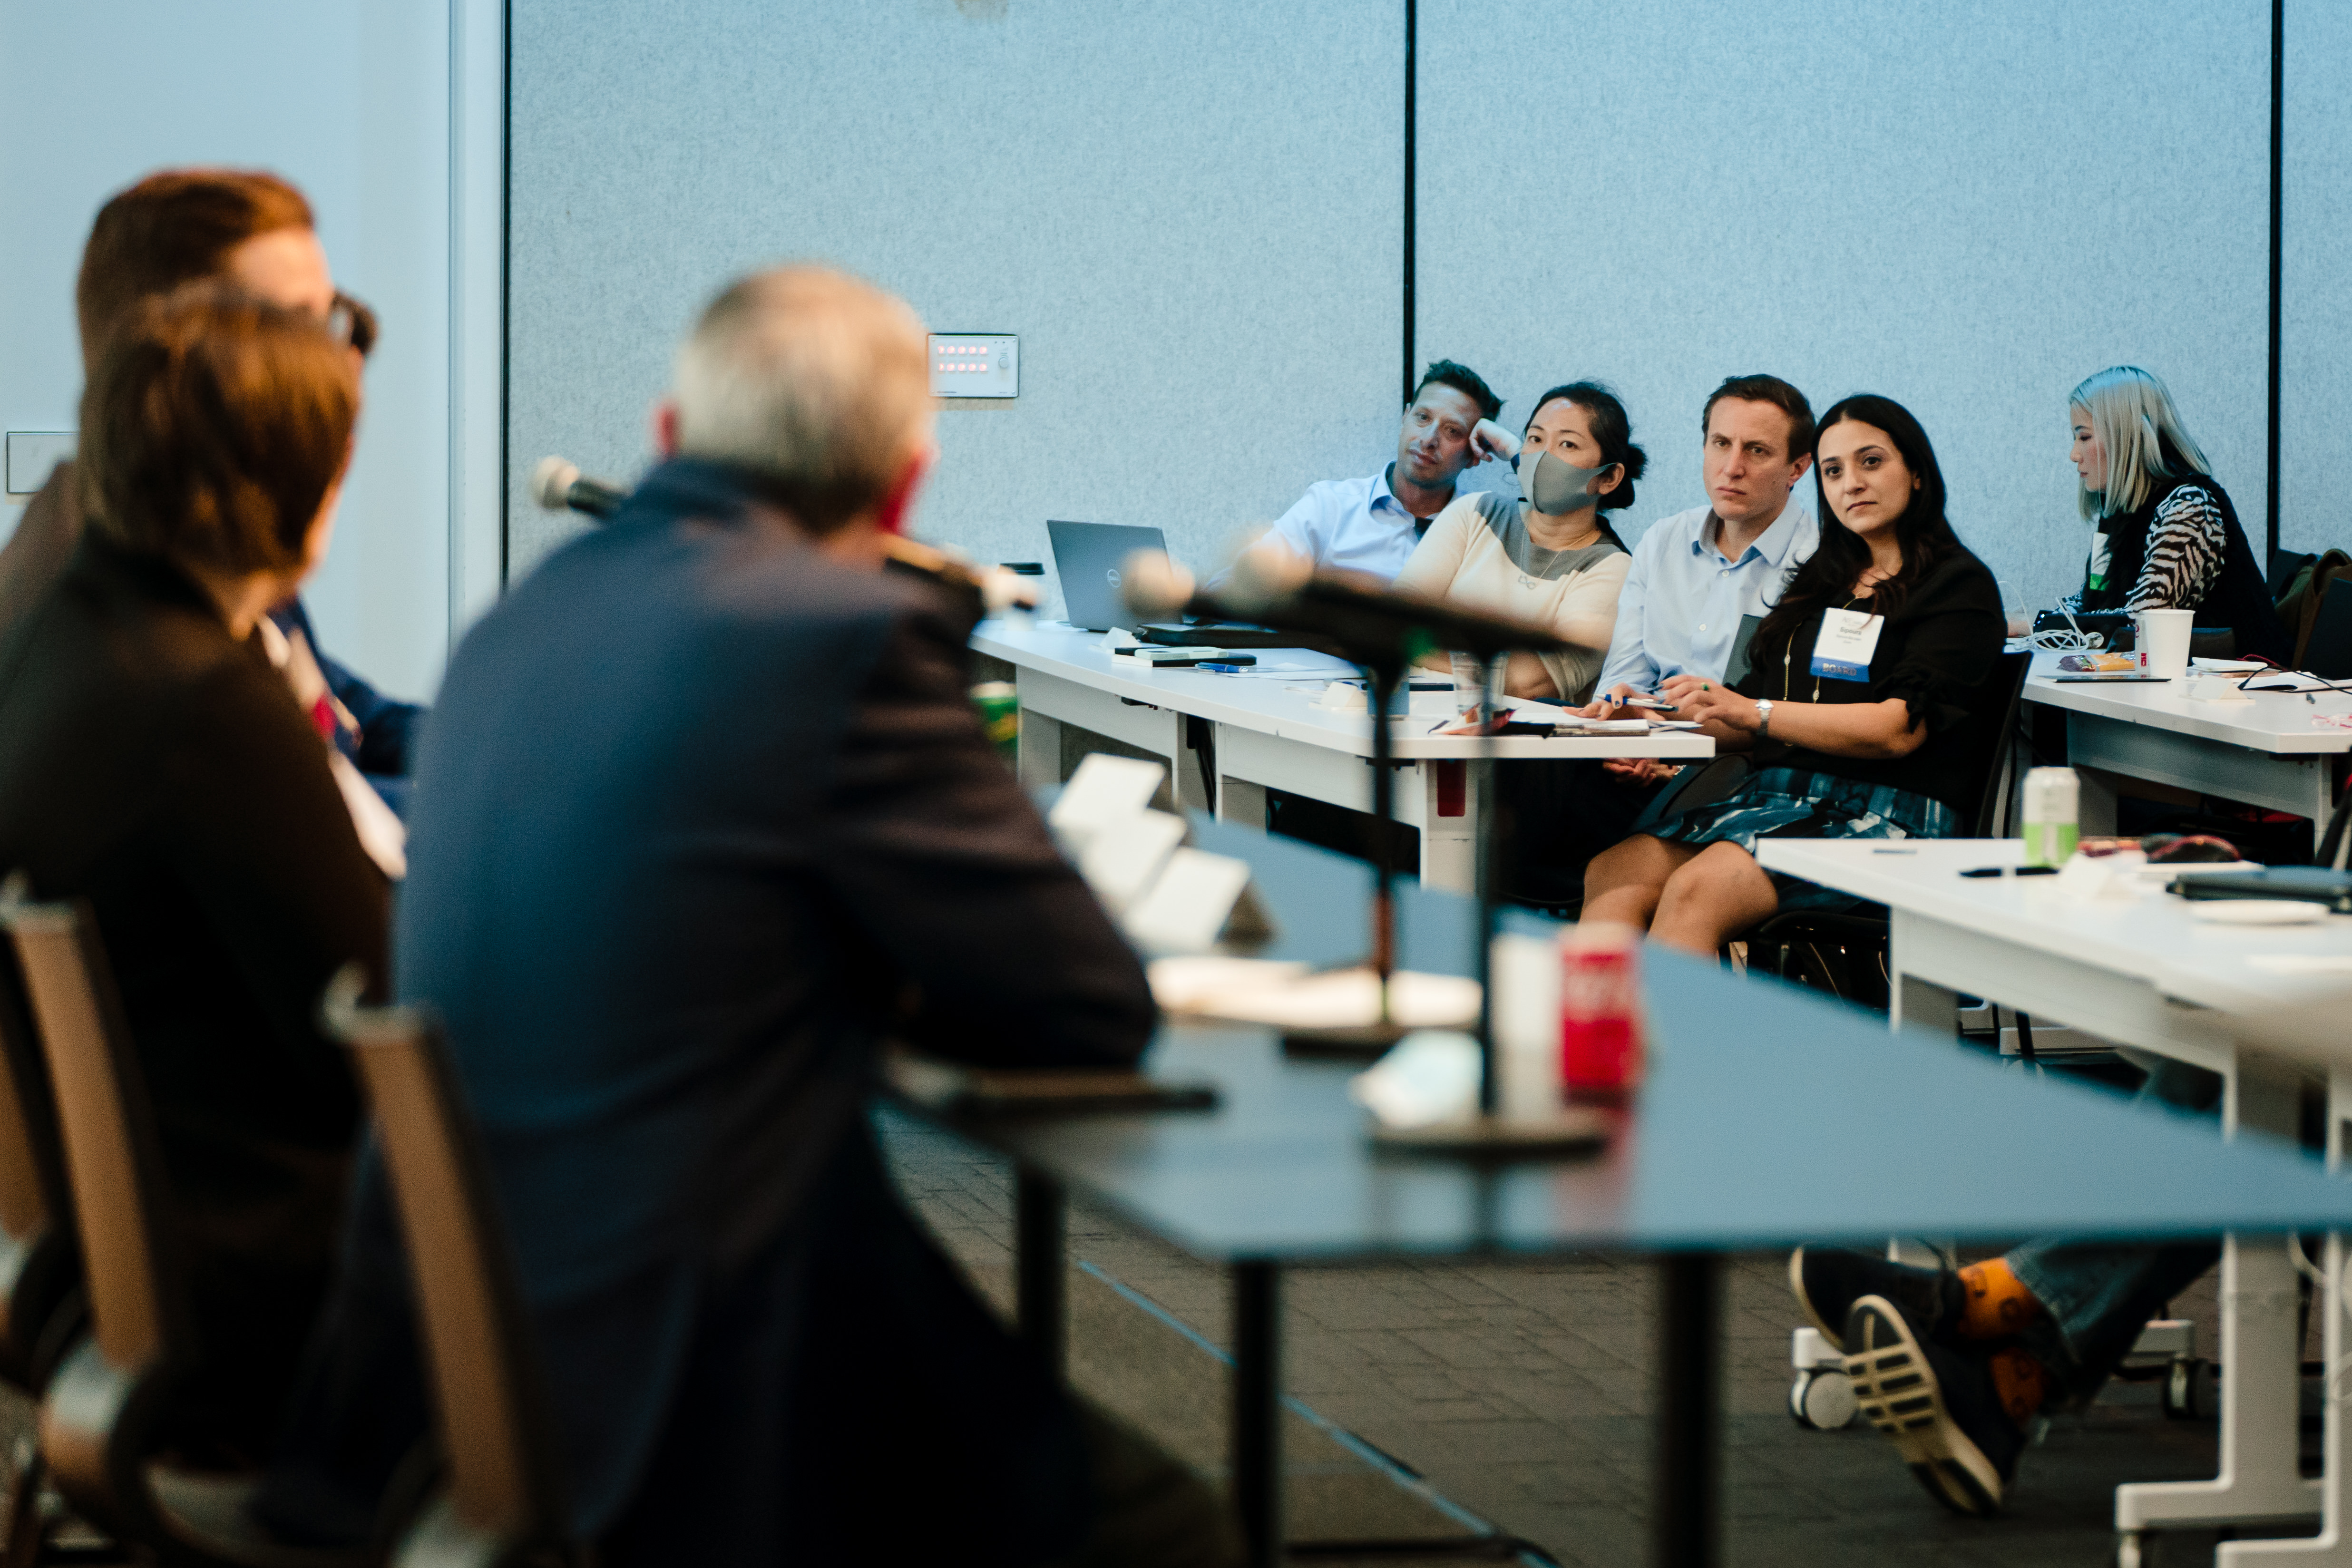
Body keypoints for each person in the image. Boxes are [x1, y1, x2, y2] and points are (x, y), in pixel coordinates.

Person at [258, 265, 1237, 1567]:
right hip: (690, 1379)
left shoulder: (529, 615)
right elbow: (1086, 1003)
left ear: (667, 437)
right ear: (906, 485)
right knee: (1171, 1530)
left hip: (457, 1347)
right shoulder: (845, 635)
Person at [0, 284, 386, 1458]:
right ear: (298, 491)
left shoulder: (62, 639)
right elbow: (377, 1042)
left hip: (116, 1284)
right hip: (263, 1328)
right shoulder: (207, 711)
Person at [0, 168, 422, 810]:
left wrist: (492, 747)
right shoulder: (121, 621)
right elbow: (296, 812)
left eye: (332, 320)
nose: (342, 364)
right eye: (294, 331)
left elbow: (343, 716)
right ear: (164, 361)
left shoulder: (219, 512)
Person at [1580, 395, 2004, 955]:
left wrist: (1749, 711)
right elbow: (1743, 720)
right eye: (1834, 471)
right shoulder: (1820, 581)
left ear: (1918, 473)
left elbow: (1896, 729)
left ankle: (1682, 1044)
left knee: (1696, 891)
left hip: (1889, 814)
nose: (1850, 483)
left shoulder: (1958, 584)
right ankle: (1594, 1039)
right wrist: (1653, 720)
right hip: (1777, 799)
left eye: (1870, 462)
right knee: (1615, 871)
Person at [1496, 377, 1820, 905]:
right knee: (1526, 746)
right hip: (1640, 759)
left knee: (1527, 811)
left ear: (1797, 469)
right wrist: (1623, 726)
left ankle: (1505, 921)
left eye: (1756, 451)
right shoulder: (1664, 540)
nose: (1731, 466)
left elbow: (1783, 717)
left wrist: (1665, 744)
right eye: (1720, 444)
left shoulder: (1819, 565)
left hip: (1739, 775)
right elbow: (1623, 679)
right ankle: (1510, 915)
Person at [1394, 381, 1639, 704]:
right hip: (1416, 721)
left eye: (1567, 445)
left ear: (1609, 477)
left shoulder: (1612, 567)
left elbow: (1529, 683)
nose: (1542, 457)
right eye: (1535, 439)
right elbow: (1392, 624)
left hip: (1516, 748)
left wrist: (1421, 651)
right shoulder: (1476, 512)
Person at [2059, 365, 2289, 663]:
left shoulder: (2189, 506)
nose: (2074, 454)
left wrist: (2047, 628)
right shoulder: (2114, 514)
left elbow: (2141, 622)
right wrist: (2024, 624)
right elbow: (2091, 603)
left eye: (2085, 437)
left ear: (2126, 436)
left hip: (2241, 690)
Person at [1247, 360, 1503, 580]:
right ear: (1405, 417)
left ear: (1475, 454)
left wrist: (1513, 451)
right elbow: (1233, 590)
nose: (1428, 439)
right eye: (1423, 417)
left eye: (1452, 431)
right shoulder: (1330, 507)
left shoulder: (1485, 535)